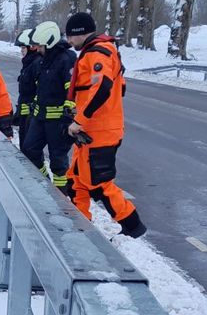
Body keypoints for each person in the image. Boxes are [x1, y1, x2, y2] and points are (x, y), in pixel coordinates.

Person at [61, 13, 146, 238]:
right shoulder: (98, 52)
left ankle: (132, 225)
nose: (69, 42)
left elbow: (102, 88)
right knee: (76, 179)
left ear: (79, 33)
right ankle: (80, 225)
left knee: (99, 184)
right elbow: (119, 88)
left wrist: (80, 120)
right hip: (90, 130)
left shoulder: (98, 53)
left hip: (98, 131)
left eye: (70, 36)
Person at [21, 21, 77, 193]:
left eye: (40, 46)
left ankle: (60, 197)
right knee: (29, 149)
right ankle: (44, 182)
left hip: (58, 121)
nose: (37, 49)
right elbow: (41, 87)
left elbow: (73, 89)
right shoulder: (43, 61)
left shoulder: (66, 59)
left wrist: (68, 115)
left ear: (50, 42)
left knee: (58, 162)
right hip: (40, 118)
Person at [15, 29, 42, 150]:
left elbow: (39, 90)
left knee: (30, 150)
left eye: (23, 48)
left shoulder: (36, 64)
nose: (21, 51)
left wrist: (31, 110)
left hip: (31, 115)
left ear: (31, 48)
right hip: (25, 114)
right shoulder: (27, 64)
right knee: (24, 148)